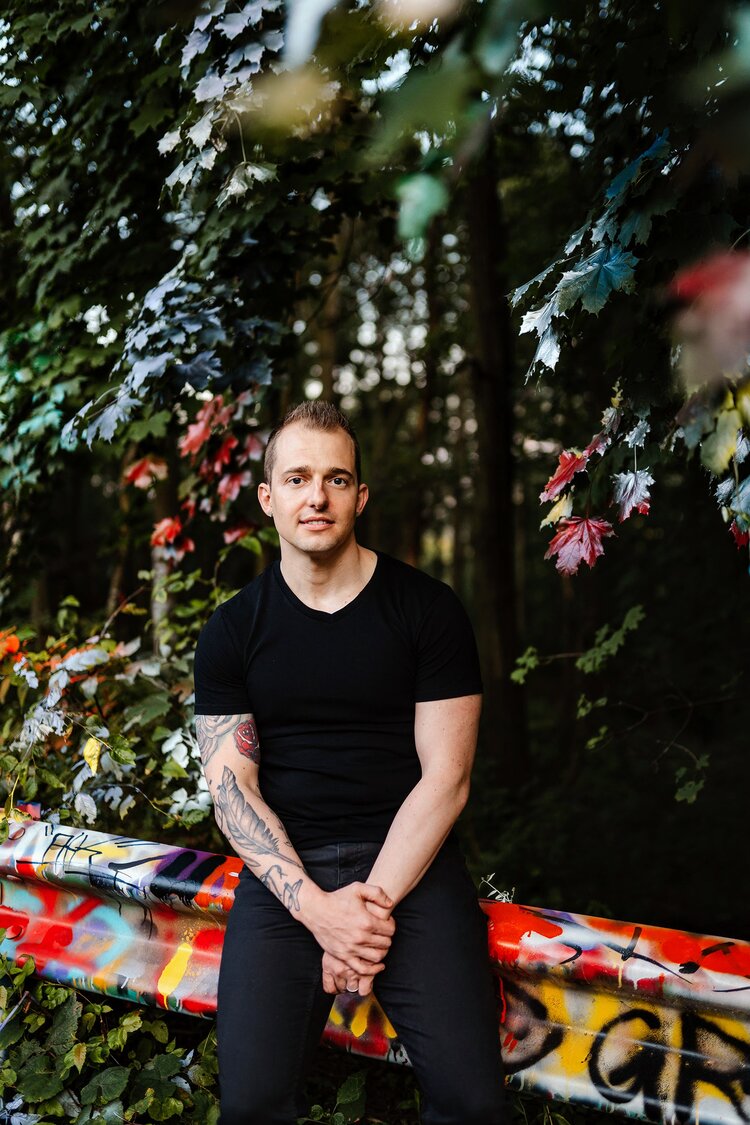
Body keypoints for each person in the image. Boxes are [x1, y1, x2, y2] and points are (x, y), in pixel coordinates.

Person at [193, 400, 504, 1125]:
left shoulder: (429, 611)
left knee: (474, 1101)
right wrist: (318, 911)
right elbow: (231, 789)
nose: (317, 496)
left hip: (409, 865)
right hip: (285, 873)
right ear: (268, 498)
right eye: (297, 478)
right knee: (250, 1103)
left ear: (360, 496)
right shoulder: (231, 632)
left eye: (337, 479)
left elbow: (447, 778)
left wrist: (362, 918)